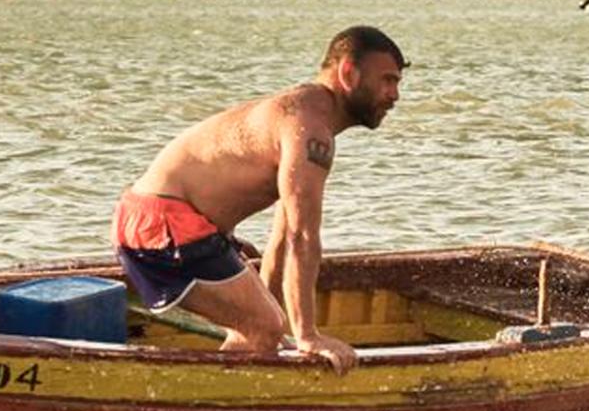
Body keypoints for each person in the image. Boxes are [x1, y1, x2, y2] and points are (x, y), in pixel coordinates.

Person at [112, 26, 407, 372]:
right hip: (163, 225)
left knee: (264, 326)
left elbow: (283, 236)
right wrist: (307, 335)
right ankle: (211, 407)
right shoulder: (310, 130)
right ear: (348, 73)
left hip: (165, 222)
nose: (394, 95)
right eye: (387, 80)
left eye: (398, 83)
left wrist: (273, 311)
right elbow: (304, 237)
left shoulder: (309, 120)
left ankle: (223, 395)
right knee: (264, 327)